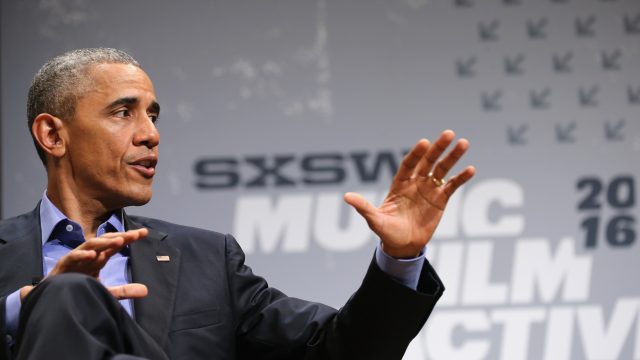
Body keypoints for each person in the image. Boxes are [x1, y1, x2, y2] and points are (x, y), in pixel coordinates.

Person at [0, 48, 475, 360]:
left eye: (153, 115)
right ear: (53, 135)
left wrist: (400, 260)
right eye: (123, 113)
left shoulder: (207, 259)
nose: (150, 134)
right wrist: (24, 307)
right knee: (66, 294)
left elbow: (339, 351)